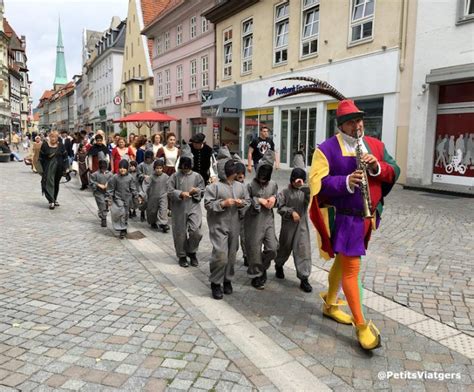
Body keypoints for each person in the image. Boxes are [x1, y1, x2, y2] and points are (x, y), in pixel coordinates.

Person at [309, 99, 400, 350]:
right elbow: (318, 185)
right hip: (347, 218)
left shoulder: (375, 145)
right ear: (341, 126)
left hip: (368, 218)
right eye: (351, 122)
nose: (357, 125)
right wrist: (347, 181)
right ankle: (361, 326)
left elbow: (394, 170)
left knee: (343, 261)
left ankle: (329, 304)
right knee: (351, 269)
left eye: (359, 120)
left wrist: (376, 167)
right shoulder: (326, 149)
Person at [204, 147, 250, 300]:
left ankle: (227, 280)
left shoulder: (240, 186)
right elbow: (208, 204)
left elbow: (248, 201)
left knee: (231, 255)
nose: (233, 172)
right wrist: (223, 203)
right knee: (220, 255)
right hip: (219, 226)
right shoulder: (214, 187)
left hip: (235, 226)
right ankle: (215, 282)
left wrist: (241, 203)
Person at [244, 149, 278, 290]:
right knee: (254, 249)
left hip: (268, 220)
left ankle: (261, 267)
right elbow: (245, 202)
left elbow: (278, 198)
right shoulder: (250, 185)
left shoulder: (273, 184)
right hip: (254, 221)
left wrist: (273, 199)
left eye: (266, 178)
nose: (263, 180)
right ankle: (256, 275)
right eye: (261, 177)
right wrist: (258, 200)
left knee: (273, 248)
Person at [274, 168, 312, 293]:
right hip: (288, 226)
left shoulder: (305, 192)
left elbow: (311, 195)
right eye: (296, 179)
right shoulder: (285, 192)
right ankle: (279, 265)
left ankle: (304, 278)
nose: (298, 182)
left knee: (303, 250)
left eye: (300, 180)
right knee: (284, 248)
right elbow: (280, 207)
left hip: (302, 227)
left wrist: (304, 185)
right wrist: (290, 212)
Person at [167, 145, 205, 268]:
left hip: (193, 206)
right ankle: (182, 255)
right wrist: (180, 193)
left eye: (187, 167)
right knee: (180, 233)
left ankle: (191, 251)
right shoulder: (174, 176)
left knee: (196, 231)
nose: (185, 169)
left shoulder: (197, 176)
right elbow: (169, 191)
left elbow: (203, 190)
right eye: (183, 167)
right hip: (179, 208)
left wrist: (197, 191)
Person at [107, 159, 141, 239]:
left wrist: (136, 196)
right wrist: (109, 198)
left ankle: (124, 227)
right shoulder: (115, 177)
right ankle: (122, 229)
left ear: (127, 169)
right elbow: (111, 189)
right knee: (120, 213)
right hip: (118, 198)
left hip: (127, 199)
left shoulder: (130, 178)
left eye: (124, 168)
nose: (122, 169)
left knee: (125, 214)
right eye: (120, 168)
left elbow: (133, 188)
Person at [39, 130, 68, 209]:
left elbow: (65, 157)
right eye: (51, 136)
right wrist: (42, 169)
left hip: (59, 168)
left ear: (57, 137)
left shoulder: (61, 145)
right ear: (49, 137)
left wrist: (66, 168)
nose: (53, 138)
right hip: (48, 168)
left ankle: (54, 199)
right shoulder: (45, 145)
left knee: (56, 184)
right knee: (49, 183)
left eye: (55, 137)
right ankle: (51, 200)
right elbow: (40, 158)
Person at [143, 158, 169, 232]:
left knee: (163, 209)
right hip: (153, 196)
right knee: (152, 211)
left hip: (163, 195)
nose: (159, 170)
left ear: (162, 168)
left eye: (160, 168)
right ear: (154, 168)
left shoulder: (166, 177)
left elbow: (170, 185)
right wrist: (142, 194)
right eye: (157, 168)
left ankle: (163, 224)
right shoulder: (151, 177)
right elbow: (146, 185)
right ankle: (152, 222)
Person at [90, 159, 113, 227]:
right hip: (98, 192)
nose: (103, 169)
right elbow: (91, 182)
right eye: (102, 168)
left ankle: (102, 213)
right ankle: (104, 219)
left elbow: (112, 181)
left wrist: (107, 184)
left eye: (104, 168)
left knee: (106, 205)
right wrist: (98, 185)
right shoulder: (95, 174)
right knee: (101, 204)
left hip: (107, 192)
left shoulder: (110, 174)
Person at [234, 159, 248, 266]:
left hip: (244, 216)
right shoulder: (231, 185)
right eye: (238, 174)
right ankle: (231, 255)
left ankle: (246, 256)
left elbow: (249, 201)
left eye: (242, 173)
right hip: (233, 216)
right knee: (233, 239)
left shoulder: (247, 187)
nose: (240, 175)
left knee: (245, 237)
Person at [137, 150, 155, 221]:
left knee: (151, 200)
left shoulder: (154, 164)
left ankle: (150, 215)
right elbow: (138, 174)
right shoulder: (141, 165)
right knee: (144, 198)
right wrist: (143, 176)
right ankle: (142, 212)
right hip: (143, 184)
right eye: (147, 158)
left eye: (150, 158)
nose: (148, 159)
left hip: (152, 184)